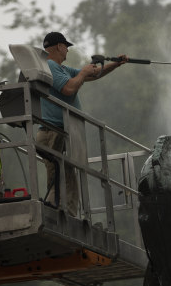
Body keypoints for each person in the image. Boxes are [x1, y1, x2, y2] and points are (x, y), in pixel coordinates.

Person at [38, 31, 127, 217]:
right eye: (66, 47)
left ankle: (62, 213)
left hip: (59, 132)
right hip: (54, 131)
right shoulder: (50, 65)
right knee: (62, 179)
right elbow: (69, 88)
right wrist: (85, 72)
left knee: (64, 176)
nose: (67, 52)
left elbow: (92, 75)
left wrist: (116, 64)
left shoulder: (61, 69)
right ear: (59, 46)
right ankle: (63, 217)